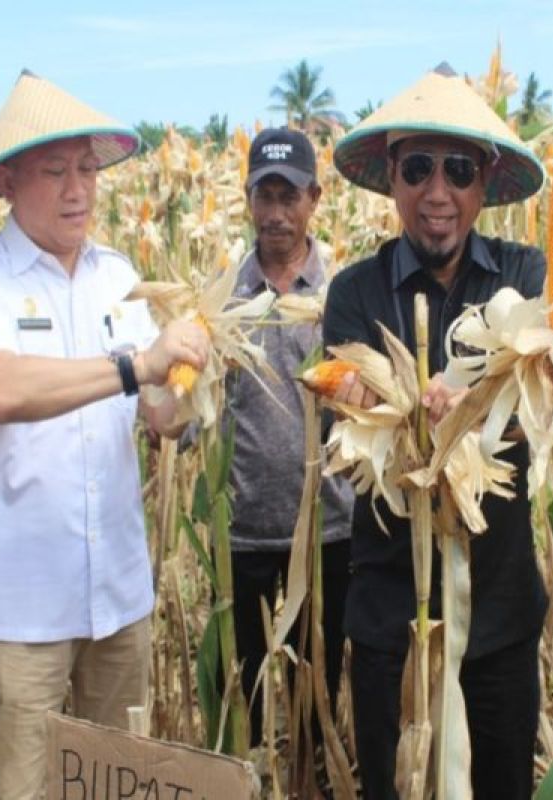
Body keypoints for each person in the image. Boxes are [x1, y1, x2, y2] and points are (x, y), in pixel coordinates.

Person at [0, 71, 206, 799]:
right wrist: (137, 365)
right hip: (23, 608)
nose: (77, 189)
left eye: (86, 169)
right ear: (6, 182)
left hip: (119, 598)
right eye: (54, 171)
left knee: (114, 787)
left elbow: (161, 417)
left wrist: (184, 380)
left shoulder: (119, 278)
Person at [323, 67, 548, 799]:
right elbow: (353, 429)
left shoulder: (526, 273)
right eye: (418, 168)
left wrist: (472, 400)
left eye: (458, 169)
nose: (438, 193)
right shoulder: (354, 292)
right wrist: (372, 406)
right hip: (394, 618)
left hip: (500, 619)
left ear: (484, 180)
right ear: (392, 177)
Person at [227, 127, 353, 742]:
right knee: (246, 684)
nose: (276, 214)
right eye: (264, 196)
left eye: (290, 197)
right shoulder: (224, 295)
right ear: (249, 198)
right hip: (245, 530)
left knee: (317, 688)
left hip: (328, 527)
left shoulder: (343, 294)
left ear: (315, 199)